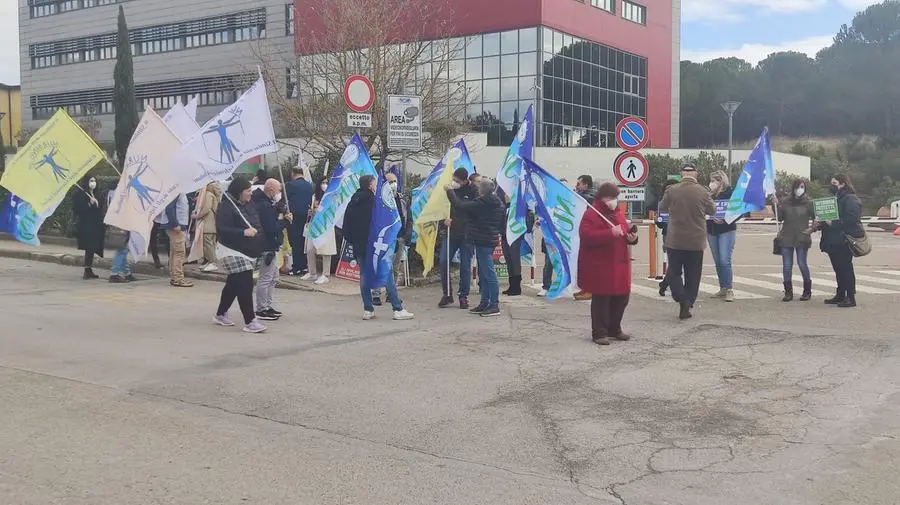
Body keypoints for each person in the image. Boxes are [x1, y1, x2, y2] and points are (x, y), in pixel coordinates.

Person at [343, 175, 414, 321]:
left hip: (359, 247)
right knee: (386, 275)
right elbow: (382, 225)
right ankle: (397, 308)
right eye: (375, 184)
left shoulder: (352, 202)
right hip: (375, 247)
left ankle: (368, 309)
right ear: (370, 186)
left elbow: (346, 228)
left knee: (364, 277)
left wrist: (354, 241)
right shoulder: (374, 203)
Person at [578, 183, 639, 345]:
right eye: (610, 198)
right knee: (602, 301)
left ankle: (615, 328)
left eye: (615, 198)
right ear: (601, 198)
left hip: (620, 265)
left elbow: (624, 232)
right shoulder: (591, 214)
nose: (613, 201)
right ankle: (599, 332)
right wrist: (609, 233)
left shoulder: (617, 213)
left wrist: (631, 238)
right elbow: (586, 236)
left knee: (622, 297)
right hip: (601, 265)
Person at [659, 165, 717, 320]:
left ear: (681, 175)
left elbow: (662, 207)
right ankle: (689, 300)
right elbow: (712, 210)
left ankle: (681, 299)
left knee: (674, 272)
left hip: (675, 239)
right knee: (693, 274)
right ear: (696, 174)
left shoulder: (672, 190)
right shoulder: (703, 191)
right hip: (695, 240)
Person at [447, 178, 505, 317]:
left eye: (480, 187)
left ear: (483, 190)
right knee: (484, 273)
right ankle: (485, 302)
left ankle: (494, 304)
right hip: (487, 239)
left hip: (484, 240)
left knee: (489, 273)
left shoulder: (483, 202)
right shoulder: (496, 202)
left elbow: (459, 205)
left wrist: (449, 191)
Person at [214, 178, 267, 333]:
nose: (250, 194)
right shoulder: (226, 206)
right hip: (230, 249)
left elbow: (256, 221)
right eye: (248, 191)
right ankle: (250, 320)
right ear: (239, 191)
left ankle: (220, 314)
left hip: (248, 249)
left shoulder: (249, 204)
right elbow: (222, 229)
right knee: (244, 283)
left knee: (233, 284)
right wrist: (242, 232)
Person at [818, 174, 864, 308]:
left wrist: (833, 223)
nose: (832, 186)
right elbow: (830, 218)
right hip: (832, 240)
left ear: (843, 183)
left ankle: (850, 297)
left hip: (843, 240)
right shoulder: (835, 199)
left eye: (835, 183)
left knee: (846, 269)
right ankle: (840, 294)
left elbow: (852, 219)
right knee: (838, 269)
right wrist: (820, 223)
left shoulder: (850, 199)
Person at [252, 179, 293, 321]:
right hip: (266, 245)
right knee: (265, 278)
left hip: (271, 245)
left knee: (273, 278)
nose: (279, 194)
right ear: (270, 190)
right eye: (278, 191)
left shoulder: (267, 204)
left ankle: (267, 306)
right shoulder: (263, 205)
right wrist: (285, 222)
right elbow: (271, 228)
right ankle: (261, 309)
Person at [439, 167, 477, 309]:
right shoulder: (449, 190)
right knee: (443, 261)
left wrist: (451, 192)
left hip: (467, 234)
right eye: (453, 180)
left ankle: (463, 295)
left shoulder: (473, 191)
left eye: (457, 181)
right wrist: (443, 222)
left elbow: (463, 207)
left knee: (465, 266)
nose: (454, 183)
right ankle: (447, 294)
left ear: (465, 180)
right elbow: (441, 208)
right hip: (451, 232)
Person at [773, 179, 814, 302]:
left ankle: (807, 291)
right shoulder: (786, 202)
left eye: (802, 187)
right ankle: (788, 292)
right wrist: (776, 206)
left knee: (802, 263)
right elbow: (779, 217)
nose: (799, 189)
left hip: (802, 237)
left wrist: (812, 229)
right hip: (787, 236)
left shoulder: (809, 203)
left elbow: (817, 217)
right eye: (797, 187)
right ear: (793, 188)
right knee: (787, 266)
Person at [706, 170, 738, 302]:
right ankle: (723, 287)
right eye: (712, 180)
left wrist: (725, 219)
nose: (712, 183)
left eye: (715, 180)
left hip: (727, 229)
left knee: (725, 259)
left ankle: (729, 289)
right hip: (711, 229)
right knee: (718, 260)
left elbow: (738, 211)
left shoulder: (730, 194)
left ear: (721, 181)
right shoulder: (709, 195)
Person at [303, 176, 337, 284]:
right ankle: (312, 273)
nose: (324, 185)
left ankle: (325, 274)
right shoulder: (314, 196)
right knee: (309, 249)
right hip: (314, 224)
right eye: (322, 182)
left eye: (326, 183)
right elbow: (312, 209)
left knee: (325, 250)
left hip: (326, 225)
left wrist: (320, 210)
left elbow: (333, 211)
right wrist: (311, 212)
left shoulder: (331, 196)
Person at [156, 193, 194, 287]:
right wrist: (175, 224)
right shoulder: (177, 191)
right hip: (176, 226)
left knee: (174, 251)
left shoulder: (178, 191)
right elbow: (169, 208)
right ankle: (178, 278)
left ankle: (175, 277)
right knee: (179, 252)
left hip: (175, 225)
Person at [538, 178, 567, 297]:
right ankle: (546, 286)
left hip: (564, 238)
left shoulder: (568, 204)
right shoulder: (548, 202)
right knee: (549, 263)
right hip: (550, 238)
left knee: (564, 264)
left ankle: (564, 286)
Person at [74, 175, 105, 280]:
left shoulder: (97, 193)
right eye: (91, 180)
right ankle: (87, 270)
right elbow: (77, 209)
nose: (93, 183)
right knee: (89, 247)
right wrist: (89, 204)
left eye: (95, 180)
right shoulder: (80, 193)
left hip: (96, 224)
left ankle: (89, 268)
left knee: (92, 247)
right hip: (86, 225)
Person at [286, 165, 314, 276]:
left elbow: (285, 200)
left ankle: (296, 267)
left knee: (295, 241)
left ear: (293, 173)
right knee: (304, 241)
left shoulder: (290, 185)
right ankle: (304, 266)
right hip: (307, 216)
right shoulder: (310, 185)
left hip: (294, 216)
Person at [572, 175, 596, 301]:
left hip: (589, 234)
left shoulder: (589, 196)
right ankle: (585, 288)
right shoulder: (582, 195)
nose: (577, 186)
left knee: (589, 264)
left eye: (579, 183)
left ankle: (591, 289)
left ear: (586, 184)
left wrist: (575, 195)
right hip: (582, 233)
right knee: (583, 263)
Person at [106, 183, 135, 284]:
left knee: (123, 249)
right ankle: (114, 274)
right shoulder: (119, 194)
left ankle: (127, 273)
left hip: (115, 223)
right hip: (122, 224)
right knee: (122, 249)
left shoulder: (111, 193)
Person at [192, 181, 221, 272]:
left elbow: (206, 208)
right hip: (212, 223)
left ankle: (213, 262)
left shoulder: (208, 195)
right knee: (210, 244)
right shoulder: (214, 195)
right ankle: (210, 262)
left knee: (207, 244)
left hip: (207, 223)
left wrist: (197, 216)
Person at [657, 179, 678, 297]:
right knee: (674, 263)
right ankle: (668, 285)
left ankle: (664, 284)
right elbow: (659, 223)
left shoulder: (682, 202)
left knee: (677, 263)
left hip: (684, 234)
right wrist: (660, 220)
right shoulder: (662, 204)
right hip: (669, 235)